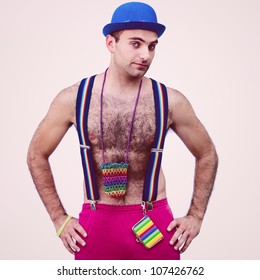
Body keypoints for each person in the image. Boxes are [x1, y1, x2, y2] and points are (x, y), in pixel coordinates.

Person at [27, 2, 218, 260]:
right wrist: (58, 217)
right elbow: (36, 154)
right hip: (96, 222)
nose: (146, 55)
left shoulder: (169, 101)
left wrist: (196, 216)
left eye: (152, 46)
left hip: (153, 220)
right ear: (111, 43)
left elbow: (207, 153)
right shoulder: (74, 99)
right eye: (136, 43)